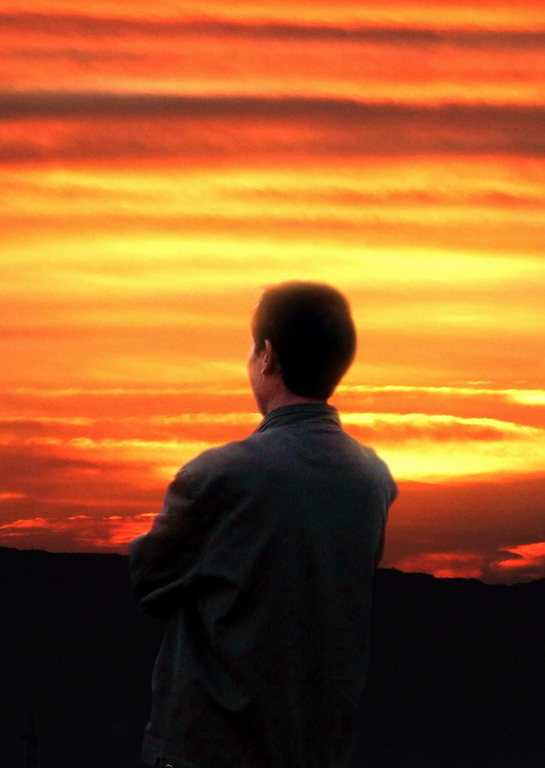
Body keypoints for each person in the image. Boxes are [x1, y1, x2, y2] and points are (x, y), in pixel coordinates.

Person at [129, 281, 397, 768]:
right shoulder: (373, 476)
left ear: (267, 355)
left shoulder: (218, 474)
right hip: (319, 748)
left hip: (212, 750)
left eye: (251, 348)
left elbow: (147, 582)